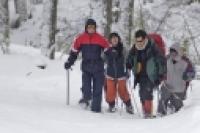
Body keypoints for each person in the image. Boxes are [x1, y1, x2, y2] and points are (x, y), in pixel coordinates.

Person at [64, 18, 110, 113]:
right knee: (87, 89)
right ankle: (86, 100)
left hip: (98, 67)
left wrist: (111, 55)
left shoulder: (100, 38)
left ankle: (96, 109)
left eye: (93, 27)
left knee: (98, 89)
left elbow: (107, 49)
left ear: (95, 28)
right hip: (86, 67)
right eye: (89, 27)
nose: (91, 29)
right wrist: (69, 62)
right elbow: (74, 52)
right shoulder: (80, 38)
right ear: (86, 28)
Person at [126, 29, 166, 118]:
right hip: (140, 74)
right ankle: (146, 111)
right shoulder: (135, 47)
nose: (139, 43)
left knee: (147, 92)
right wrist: (128, 64)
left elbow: (161, 61)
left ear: (145, 39)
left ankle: (148, 113)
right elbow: (130, 57)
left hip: (151, 74)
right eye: (137, 41)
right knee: (141, 94)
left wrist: (160, 74)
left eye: (140, 41)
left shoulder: (153, 47)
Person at [157, 43, 195, 116]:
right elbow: (161, 69)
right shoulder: (166, 59)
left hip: (179, 89)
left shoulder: (185, 61)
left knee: (178, 108)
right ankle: (160, 113)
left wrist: (188, 75)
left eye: (174, 52)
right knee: (163, 99)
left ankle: (173, 112)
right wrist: (159, 76)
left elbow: (192, 72)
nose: (172, 54)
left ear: (178, 51)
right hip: (167, 86)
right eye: (171, 52)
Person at [104, 32, 134, 114]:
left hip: (121, 75)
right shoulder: (107, 50)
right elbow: (103, 60)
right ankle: (111, 105)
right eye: (112, 38)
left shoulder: (123, 49)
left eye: (116, 38)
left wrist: (128, 71)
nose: (114, 39)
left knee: (123, 91)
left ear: (118, 39)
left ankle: (129, 105)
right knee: (110, 92)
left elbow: (129, 61)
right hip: (110, 74)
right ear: (110, 40)